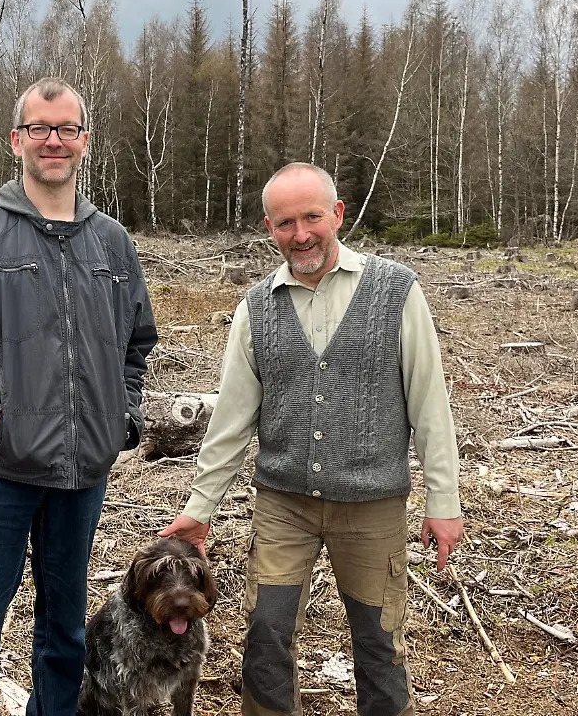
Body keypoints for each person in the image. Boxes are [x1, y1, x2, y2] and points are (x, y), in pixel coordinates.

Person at [160, 162, 464, 716]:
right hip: (284, 507)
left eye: (311, 217)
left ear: (337, 214)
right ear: (269, 227)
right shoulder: (255, 308)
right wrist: (201, 507)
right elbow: (231, 421)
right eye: (284, 223)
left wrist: (443, 502)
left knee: (379, 645)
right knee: (265, 637)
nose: (300, 234)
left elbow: (430, 405)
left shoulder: (396, 291)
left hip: (372, 506)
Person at [0, 76, 158, 716]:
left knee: (65, 635)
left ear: (85, 142)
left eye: (67, 129)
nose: (54, 140)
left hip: (81, 474)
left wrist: (122, 419)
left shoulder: (112, 242)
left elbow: (137, 343)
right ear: (17, 139)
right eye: (40, 129)